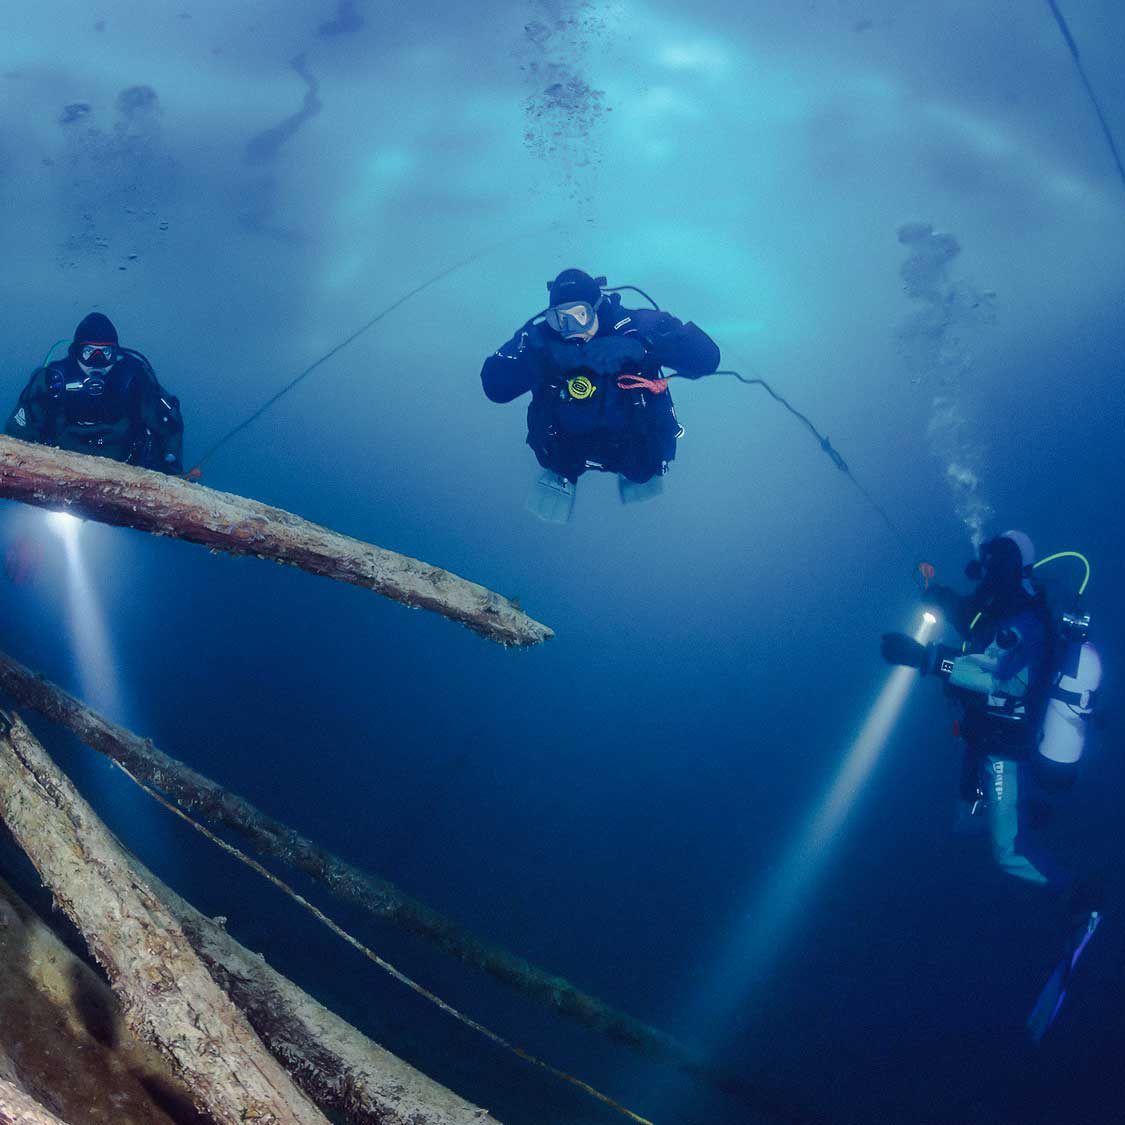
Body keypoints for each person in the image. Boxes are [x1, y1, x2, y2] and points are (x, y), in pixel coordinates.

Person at [880, 530, 1099, 916]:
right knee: (967, 816)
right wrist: (933, 590)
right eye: (989, 558)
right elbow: (968, 617)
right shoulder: (996, 605)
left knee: (1007, 851)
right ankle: (1026, 807)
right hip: (983, 733)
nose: (989, 568)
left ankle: (1077, 895)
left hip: (1005, 745)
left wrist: (927, 658)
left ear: (1016, 566)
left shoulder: (1028, 619)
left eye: (999, 560)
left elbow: (1007, 681)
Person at [480, 269, 720, 521]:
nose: (570, 328)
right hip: (564, 445)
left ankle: (638, 476)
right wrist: (542, 360)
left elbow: (708, 358)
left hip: (633, 442)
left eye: (580, 315)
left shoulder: (636, 325)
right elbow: (494, 387)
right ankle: (563, 474)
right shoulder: (540, 338)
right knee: (557, 460)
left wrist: (643, 347)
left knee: (641, 470)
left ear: (598, 307)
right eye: (559, 319)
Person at [5, 312, 183, 473]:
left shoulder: (136, 382)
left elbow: (169, 427)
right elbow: (18, 434)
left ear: (116, 353)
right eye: (88, 352)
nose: (97, 362)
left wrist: (169, 465)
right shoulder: (51, 383)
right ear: (76, 352)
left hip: (125, 473)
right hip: (60, 472)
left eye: (105, 352)